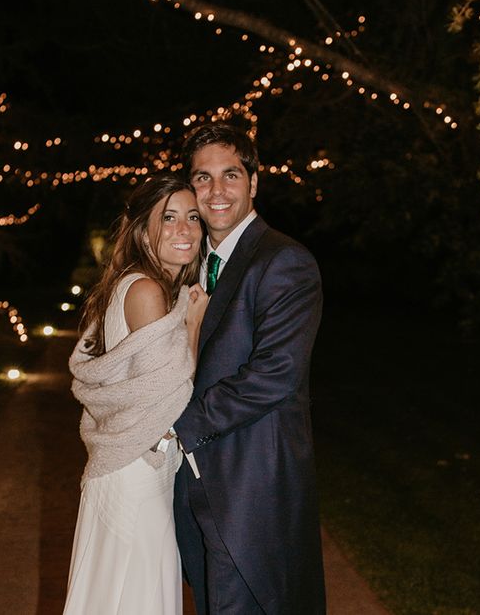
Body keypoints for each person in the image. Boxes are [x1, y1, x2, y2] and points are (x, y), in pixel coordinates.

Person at [172, 124, 326, 614]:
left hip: (249, 485)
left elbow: (275, 373)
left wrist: (175, 425)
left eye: (231, 175)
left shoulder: (284, 261)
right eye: (203, 177)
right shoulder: (189, 264)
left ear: (254, 182)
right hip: (191, 482)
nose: (216, 190)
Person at [64, 173, 209, 615]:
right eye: (169, 218)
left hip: (134, 466)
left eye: (193, 217)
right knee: (137, 596)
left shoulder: (141, 284)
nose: (185, 229)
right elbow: (167, 394)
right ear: (144, 230)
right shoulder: (146, 290)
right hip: (136, 473)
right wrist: (193, 325)